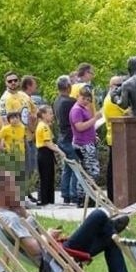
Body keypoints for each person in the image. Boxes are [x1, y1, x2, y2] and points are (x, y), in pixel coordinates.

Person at [0, 170, 136, 272]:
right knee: (98, 215)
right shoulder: (9, 218)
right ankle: (109, 224)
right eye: (12, 186)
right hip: (56, 257)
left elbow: (35, 237)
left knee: (109, 236)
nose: (17, 189)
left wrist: (24, 213)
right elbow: (34, 249)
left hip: (57, 251)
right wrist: (48, 237)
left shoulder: (8, 213)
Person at [70, 87, 102, 206]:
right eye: (83, 98)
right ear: (78, 96)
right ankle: (86, 197)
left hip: (88, 141)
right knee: (92, 171)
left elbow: (88, 127)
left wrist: (94, 135)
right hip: (83, 144)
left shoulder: (83, 108)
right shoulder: (76, 110)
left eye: (88, 99)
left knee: (87, 171)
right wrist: (95, 119)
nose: (85, 101)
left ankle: (85, 197)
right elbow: (80, 127)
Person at [53, 76, 78, 205]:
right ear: (69, 87)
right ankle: (74, 194)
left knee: (67, 167)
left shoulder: (56, 101)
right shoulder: (70, 101)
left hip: (62, 137)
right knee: (75, 165)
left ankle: (65, 193)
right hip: (70, 137)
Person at [102, 75, 128, 202]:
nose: (120, 87)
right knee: (115, 170)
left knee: (113, 168)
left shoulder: (110, 97)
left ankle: (113, 196)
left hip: (114, 137)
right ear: (111, 86)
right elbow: (129, 113)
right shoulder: (113, 100)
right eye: (117, 85)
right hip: (117, 137)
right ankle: (113, 197)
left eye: (121, 84)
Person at [35, 105, 59, 206]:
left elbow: (50, 141)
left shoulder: (45, 125)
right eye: (50, 113)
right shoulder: (43, 126)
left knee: (49, 177)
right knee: (46, 177)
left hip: (47, 152)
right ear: (43, 115)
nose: (52, 115)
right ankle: (45, 200)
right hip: (44, 152)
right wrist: (60, 151)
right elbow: (47, 143)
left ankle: (49, 199)